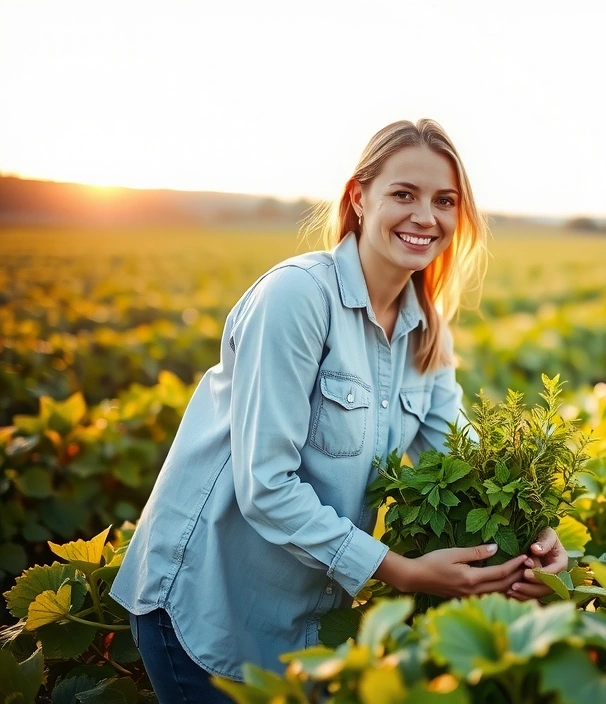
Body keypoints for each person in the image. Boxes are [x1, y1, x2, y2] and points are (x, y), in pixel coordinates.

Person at [109, 119, 567, 702]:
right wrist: (400, 569)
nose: (425, 216)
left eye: (444, 201)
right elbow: (266, 485)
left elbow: (461, 456)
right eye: (404, 194)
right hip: (211, 606)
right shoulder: (297, 298)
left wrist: (533, 538)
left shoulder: (427, 331)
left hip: (308, 621)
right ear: (359, 196)